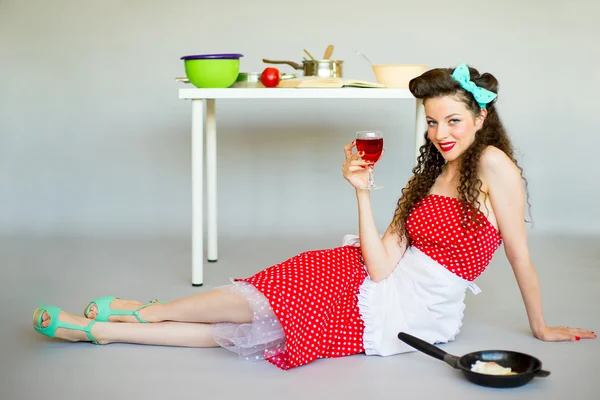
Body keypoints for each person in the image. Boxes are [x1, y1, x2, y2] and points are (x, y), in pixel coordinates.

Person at [32, 63, 596, 370]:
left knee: (270, 324)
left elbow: (519, 254)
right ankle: (136, 317)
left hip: (418, 308)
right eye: (430, 122)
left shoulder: (494, 164)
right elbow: (379, 265)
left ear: (480, 117)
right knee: (284, 285)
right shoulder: (429, 174)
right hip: (377, 277)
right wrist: (360, 191)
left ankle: (110, 327)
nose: (439, 134)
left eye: (452, 120)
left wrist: (541, 326)